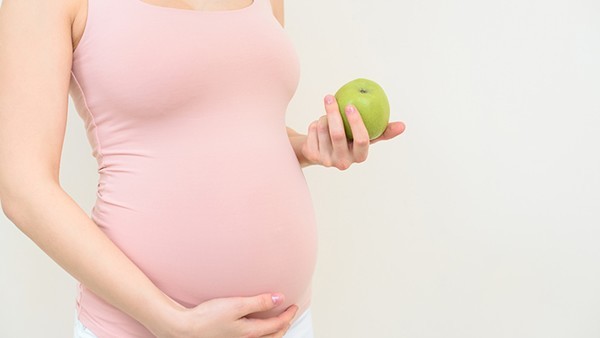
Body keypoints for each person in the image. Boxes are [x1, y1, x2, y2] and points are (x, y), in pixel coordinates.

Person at [0, 0, 406, 337]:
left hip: (288, 321)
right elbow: (22, 186)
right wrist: (170, 320)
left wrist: (308, 147)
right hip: (144, 329)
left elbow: (235, 120)